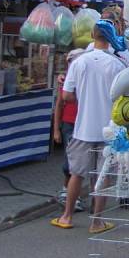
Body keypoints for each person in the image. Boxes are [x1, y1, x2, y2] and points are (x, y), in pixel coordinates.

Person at [50, 24, 126, 232]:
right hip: (109, 129)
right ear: (111, 38)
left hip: (82, 127)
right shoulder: (118, 65)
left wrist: (83, 97)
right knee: (102, 176)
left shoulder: (79, 61)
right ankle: (97, 221)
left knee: (77, 173)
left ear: (93, 36)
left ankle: (66, 216)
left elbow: (65, 96)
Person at [52, 49, 85, 211]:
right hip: (69, 124)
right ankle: (68, 193)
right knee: (70, 161)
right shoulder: (65, 80)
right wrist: (56, 130)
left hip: (84, 124)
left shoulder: (87, 79)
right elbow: (59, 104)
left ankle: (70, 193)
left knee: (78, 162)